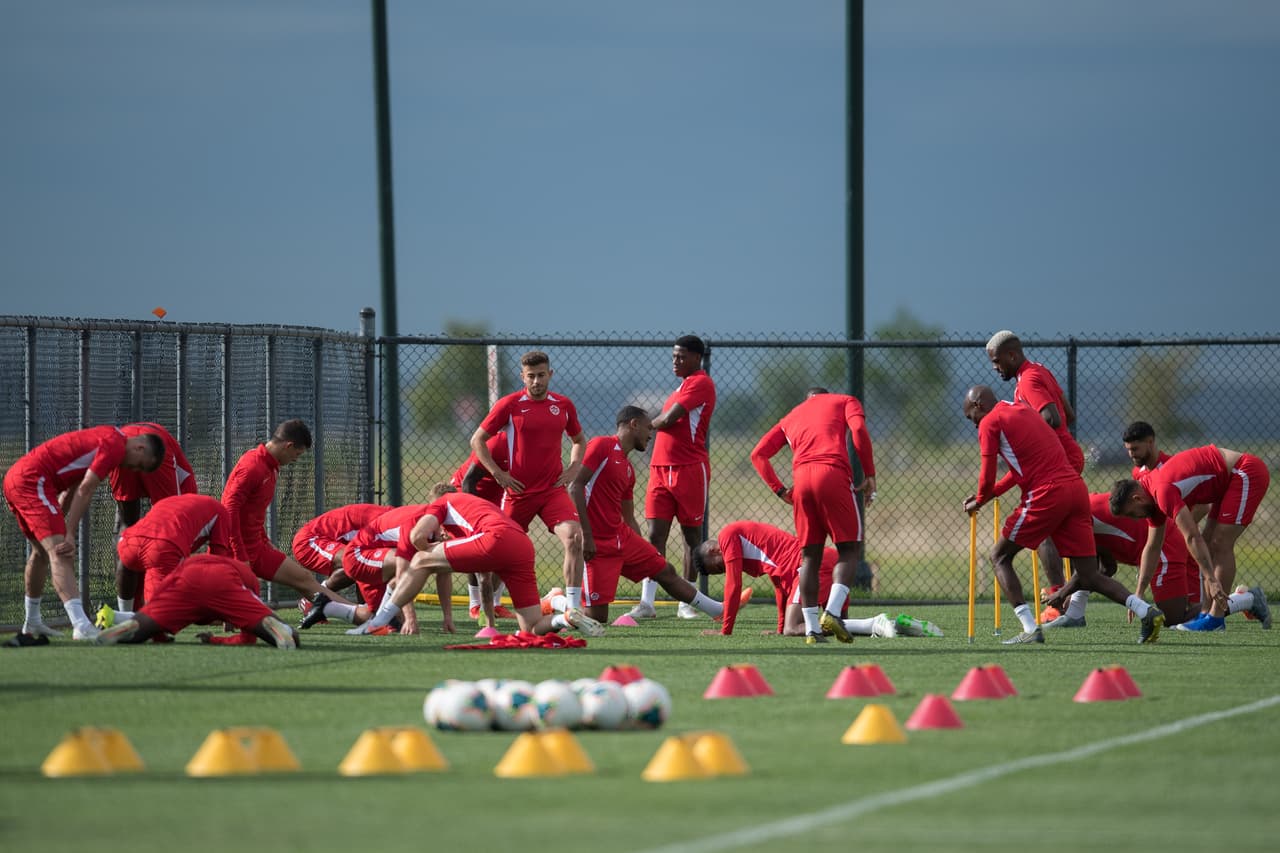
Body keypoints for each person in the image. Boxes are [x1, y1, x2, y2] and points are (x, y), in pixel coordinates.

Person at [961, 385, 1164, 644]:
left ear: (979, 405)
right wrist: (986, 497)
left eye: (971, 418)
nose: (974, 424)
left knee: (999, 556)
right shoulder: (1023, 410)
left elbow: (987, 472)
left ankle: (1030, 628)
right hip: (1075, 489)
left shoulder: (990, 422)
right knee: (1089, 575)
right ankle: (1146, 612)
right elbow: (1019, 469)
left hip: (1047, 493)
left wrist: (979, 499)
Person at [346, 487, 605, 638]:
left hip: (496, 539)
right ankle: (566, 618)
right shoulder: (475, 506)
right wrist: (489, 622)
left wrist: (432, 547)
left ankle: (378, 621)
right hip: (522, 545)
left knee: (421, 558)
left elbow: (416, 537)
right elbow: (482, 575)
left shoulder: (441, 504)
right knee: (531, 628)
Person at [566, 405, 723, 626]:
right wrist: (587, 536)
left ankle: (719, 610)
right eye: (649, 428)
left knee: (665, 570)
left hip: (622, 538)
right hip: (597, 545)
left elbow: (628, 519)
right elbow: (575, 487)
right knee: (596, 619)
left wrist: (643, 550)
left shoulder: (629, 471)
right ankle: (556, 602)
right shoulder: (602, 445)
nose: (651, 434)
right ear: (634, 424)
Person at [3, 425, 163, 641]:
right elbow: (86, 488)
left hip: (19, 479)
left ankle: (31, 623)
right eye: (139, 465)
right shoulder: (115, 446)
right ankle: (81, 626)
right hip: (33, 482)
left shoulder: (105, 439)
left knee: (41, 552)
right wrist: (68, 533)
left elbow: (73, 486)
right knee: (60, 552)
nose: (134, 470)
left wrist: (57, 520)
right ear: (140, 448)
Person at [749, 387, 877, 644]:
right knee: (849, 550)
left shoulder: (792, 415)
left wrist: (781, 490)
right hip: (831, 473)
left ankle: (811, 630)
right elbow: (860, 432)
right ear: (826, 396)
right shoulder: (845, 400)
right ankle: (831, 612)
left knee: (809, 557)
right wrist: (870, 473)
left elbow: (758, 454)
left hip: (801, 481)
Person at [469, 351, 588, 612]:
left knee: (574, 537)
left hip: (552, 492)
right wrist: (498, 474)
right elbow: (477, 440)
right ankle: (484, 607)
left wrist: (573, 468)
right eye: (531, 376)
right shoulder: (509, 405)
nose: (536, 381)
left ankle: (573, 608)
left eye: (541, 375)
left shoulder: (563, 405)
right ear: (523, 376)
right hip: (518, 494)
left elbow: (579, 440)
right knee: (501, 553)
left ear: (550, 375)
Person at [1109, 444, 1271, 631]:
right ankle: (1205, 614)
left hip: (1244, 471)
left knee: (1219, 543)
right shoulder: (1151, 495)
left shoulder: (1162, 491)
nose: (1135, 518)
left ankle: (1216, 619)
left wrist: (1211, 579)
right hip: (1227, 482)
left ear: (1137, 499)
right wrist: (1138, 593)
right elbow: (1152, 547)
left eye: (1131, 514)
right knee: (1209, 547)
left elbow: (1192, 537)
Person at [695, 520, 939, 639]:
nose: (725, 570)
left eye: (718, 567)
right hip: (820, 566)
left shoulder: (728, 536)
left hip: (809, 569)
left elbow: (734, 585)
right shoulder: (750, 545)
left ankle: (876, 622)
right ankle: (896, 624)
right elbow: (780, 584)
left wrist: (725, 631)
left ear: (715, 550)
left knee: (796, 629)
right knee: (833, 625)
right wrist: (779, 630)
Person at [986, 330, 1082, 596]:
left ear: (1012, 355)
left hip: (1054, 465)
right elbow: (1069, 415)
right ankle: (1072, 600)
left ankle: (1058, 594)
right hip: (1066, 457)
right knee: (1065, 532)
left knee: (1042, 531)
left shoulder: (1027, 381)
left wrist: (1032, 440)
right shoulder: (1039, 371)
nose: (995, 368)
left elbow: (1052, 418)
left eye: (997, 361)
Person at [632, 335, 717, 620]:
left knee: (691, 537)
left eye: (681, 357)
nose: (675, 361)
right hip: (660, 469)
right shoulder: (679, 388)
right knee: (656, 535)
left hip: (689, 469)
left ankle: (686, 603)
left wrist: (643, 426)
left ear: (696, 358)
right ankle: (647, 603)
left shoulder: (701, 383)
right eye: (673, 356)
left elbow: (668, 420)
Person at [1044, 492, 1206, 629]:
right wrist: (1078, 590)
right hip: (1154, 545)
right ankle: (1074, 615)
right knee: (1086, 570)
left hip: (1164, 545)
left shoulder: (1079, 517)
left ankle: (1227, 604)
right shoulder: (1081, 510)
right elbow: (1106, 568)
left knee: (1174, 619)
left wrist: (1062, 592)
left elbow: (1085, 572)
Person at [221, 419, 341, 603]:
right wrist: (239, 554)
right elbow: (229, 510)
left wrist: (264, 540)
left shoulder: (272, 467)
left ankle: (362, 615)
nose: (295, 459)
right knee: (220, 604)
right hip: (235, 550)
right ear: (288, 445)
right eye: (297, 454)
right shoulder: (252, 466)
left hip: (256, 548)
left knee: (304, 578)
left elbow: (253, 510)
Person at [298, 499, 451, 635]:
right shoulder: (411, 524)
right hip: (311, 539)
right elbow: (401, 569)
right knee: (354, 562)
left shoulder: (425, 523)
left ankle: (327, 605)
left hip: (357, 549)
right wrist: (408, 616)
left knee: (372, 609)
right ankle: (315, 597)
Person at [95, 553, 298, 649]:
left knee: (145, 624)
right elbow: (247, 639)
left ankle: (134, 626)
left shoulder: (192, 563)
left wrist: (158, 635)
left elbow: (162, 590)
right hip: (224, 579)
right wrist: (215, 640)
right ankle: (277, 628)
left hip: (187, 575)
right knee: (291, 637)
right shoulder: (248, 576)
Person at [100, 493, 235, 628]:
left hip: (128, 541)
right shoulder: (222, 513)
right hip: (161, 548)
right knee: (163, 615)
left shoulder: (180, 502)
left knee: (154, 611)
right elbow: (216, 564)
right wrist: (225, 610)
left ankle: (123, 617)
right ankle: (113, 616)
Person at [109, 421, 198, 610]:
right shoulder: (189, 490)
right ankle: (160, 608)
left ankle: (127, 612)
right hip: (151, 453)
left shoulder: (116, 445)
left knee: (127, 531)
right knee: (167, 533)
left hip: (121, 449)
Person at [449, 432, 514, 621]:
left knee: (509, 542)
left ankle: (495, 603)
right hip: (467, 492)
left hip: (495, 496)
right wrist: (476, 517)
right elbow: (469, 481)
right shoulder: (497, 443)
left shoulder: (534, 444)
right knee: (476, 544)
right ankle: (475, 604)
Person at [290, 502, 386, 621]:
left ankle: (317, 598)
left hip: (326, 541)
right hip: (309, 541)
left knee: (361, 564)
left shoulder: (395, 521)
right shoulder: (390, 526)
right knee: (361, 562)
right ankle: (316, 597)